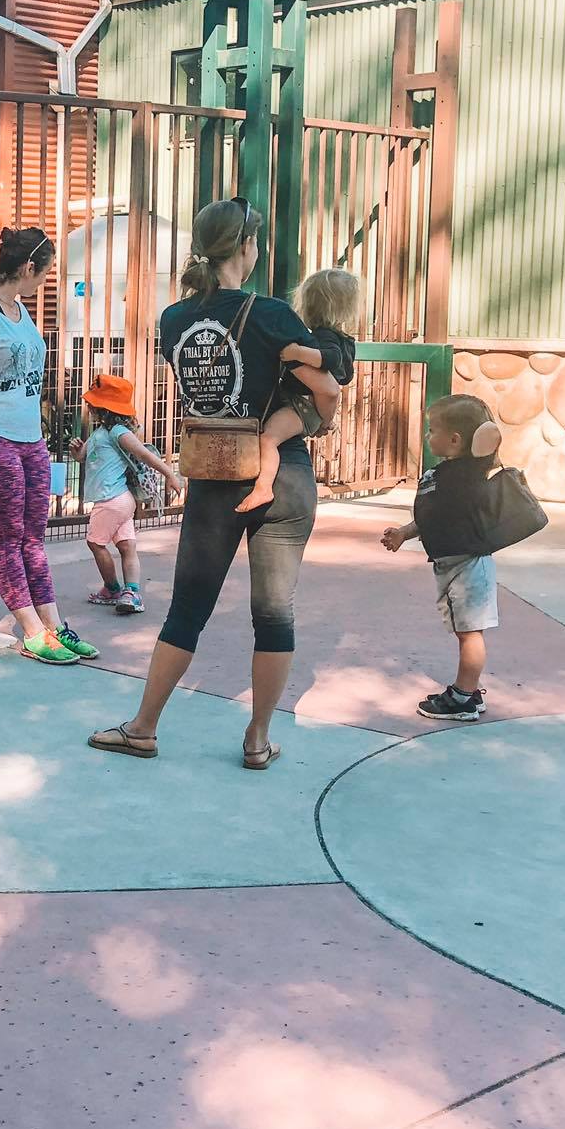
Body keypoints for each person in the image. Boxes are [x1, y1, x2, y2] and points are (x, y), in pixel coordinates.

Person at [87, 197, 335, 770]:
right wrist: (314, 416)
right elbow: (326, 389)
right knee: (274, 613)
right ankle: (257, 738)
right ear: (246, 246)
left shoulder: (174, 320)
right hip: (282, 475)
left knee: (187, 609)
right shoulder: (271, 314)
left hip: (213, 476)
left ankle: (144, 727)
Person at [0, 224, 99, 665]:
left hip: (30, 439)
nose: (45, 283)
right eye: (45, 273)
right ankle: (31, 630)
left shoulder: (21, 310)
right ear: (29, 267)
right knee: (7, 537)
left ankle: (54, 625)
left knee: (34, 538)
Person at [381, 394, 505, 721]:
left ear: (455, 440)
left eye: (431, 429)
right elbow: (434, 516)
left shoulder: (469, 474)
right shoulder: (445, 473)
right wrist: (405, 533)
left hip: (466, 566)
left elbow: (487, 448)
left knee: (470, 633)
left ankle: (464, 697)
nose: (426, 435)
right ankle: (469, 692)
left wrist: (484, 436)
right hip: (453, 565)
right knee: (466, 631)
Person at [235, 267, 361, 515]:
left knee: (268, 438)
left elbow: (331, 360)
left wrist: (297, 354)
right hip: (306, 405)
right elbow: (341, 375)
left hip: (300, 405)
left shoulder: (326, 337)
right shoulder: (342, 337)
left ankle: (263, 487)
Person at [72, 371, 182, 615]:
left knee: (95, 543)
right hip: (122, 500)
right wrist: (77, 452)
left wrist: (170, 474)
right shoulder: (100, 433)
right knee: (126, 547)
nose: (88, 406)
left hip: (110, 500)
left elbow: (144, 454)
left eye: (92, 402)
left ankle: (111, 589)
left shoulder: (118, 433)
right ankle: (132, 592)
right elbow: (82, 457)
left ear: (103, 407)